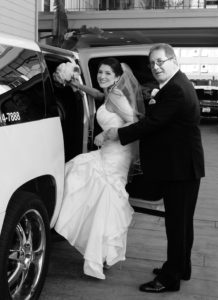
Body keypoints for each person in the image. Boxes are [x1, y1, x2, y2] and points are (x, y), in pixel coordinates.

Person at [106, 44, 205, 293]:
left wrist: (118, 133)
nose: (156, 67)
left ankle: (170, 278)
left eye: (160, 61)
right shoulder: (177, 84)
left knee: (176, 224)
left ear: (174, 61)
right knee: (182, 223)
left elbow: (154, 123)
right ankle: (181, 267)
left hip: (180, 169)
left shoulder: (176, 89)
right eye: (152, 63)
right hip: (182, 166)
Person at [54, 57, 143, 280]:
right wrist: (78, 85)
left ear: (117, 77)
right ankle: (103, 254)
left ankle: (99, 253)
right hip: (111, 153)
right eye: (100, 72)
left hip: (115, 155)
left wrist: (108, 133)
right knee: (102, 201)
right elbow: (100, 96)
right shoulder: (111, 92)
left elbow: (134, 122)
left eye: (107, 74)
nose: (102, 76)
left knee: (83, 182)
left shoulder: (116, 94)